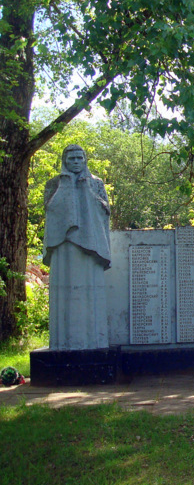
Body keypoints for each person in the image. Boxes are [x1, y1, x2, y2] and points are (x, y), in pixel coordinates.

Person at [43, 144, 111, 350]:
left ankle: (94, 340)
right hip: (63, 247)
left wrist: (85, 189)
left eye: (79, 158)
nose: (75, 162)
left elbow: (104, 210)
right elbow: (50, 209)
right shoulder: (54, 183)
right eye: (71, 158)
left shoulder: (96, 183)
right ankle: (63, 343)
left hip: (90, 248)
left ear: (85, 160)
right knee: (64, 294)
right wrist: (66, 186)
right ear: (64, 160)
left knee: (90, 294)